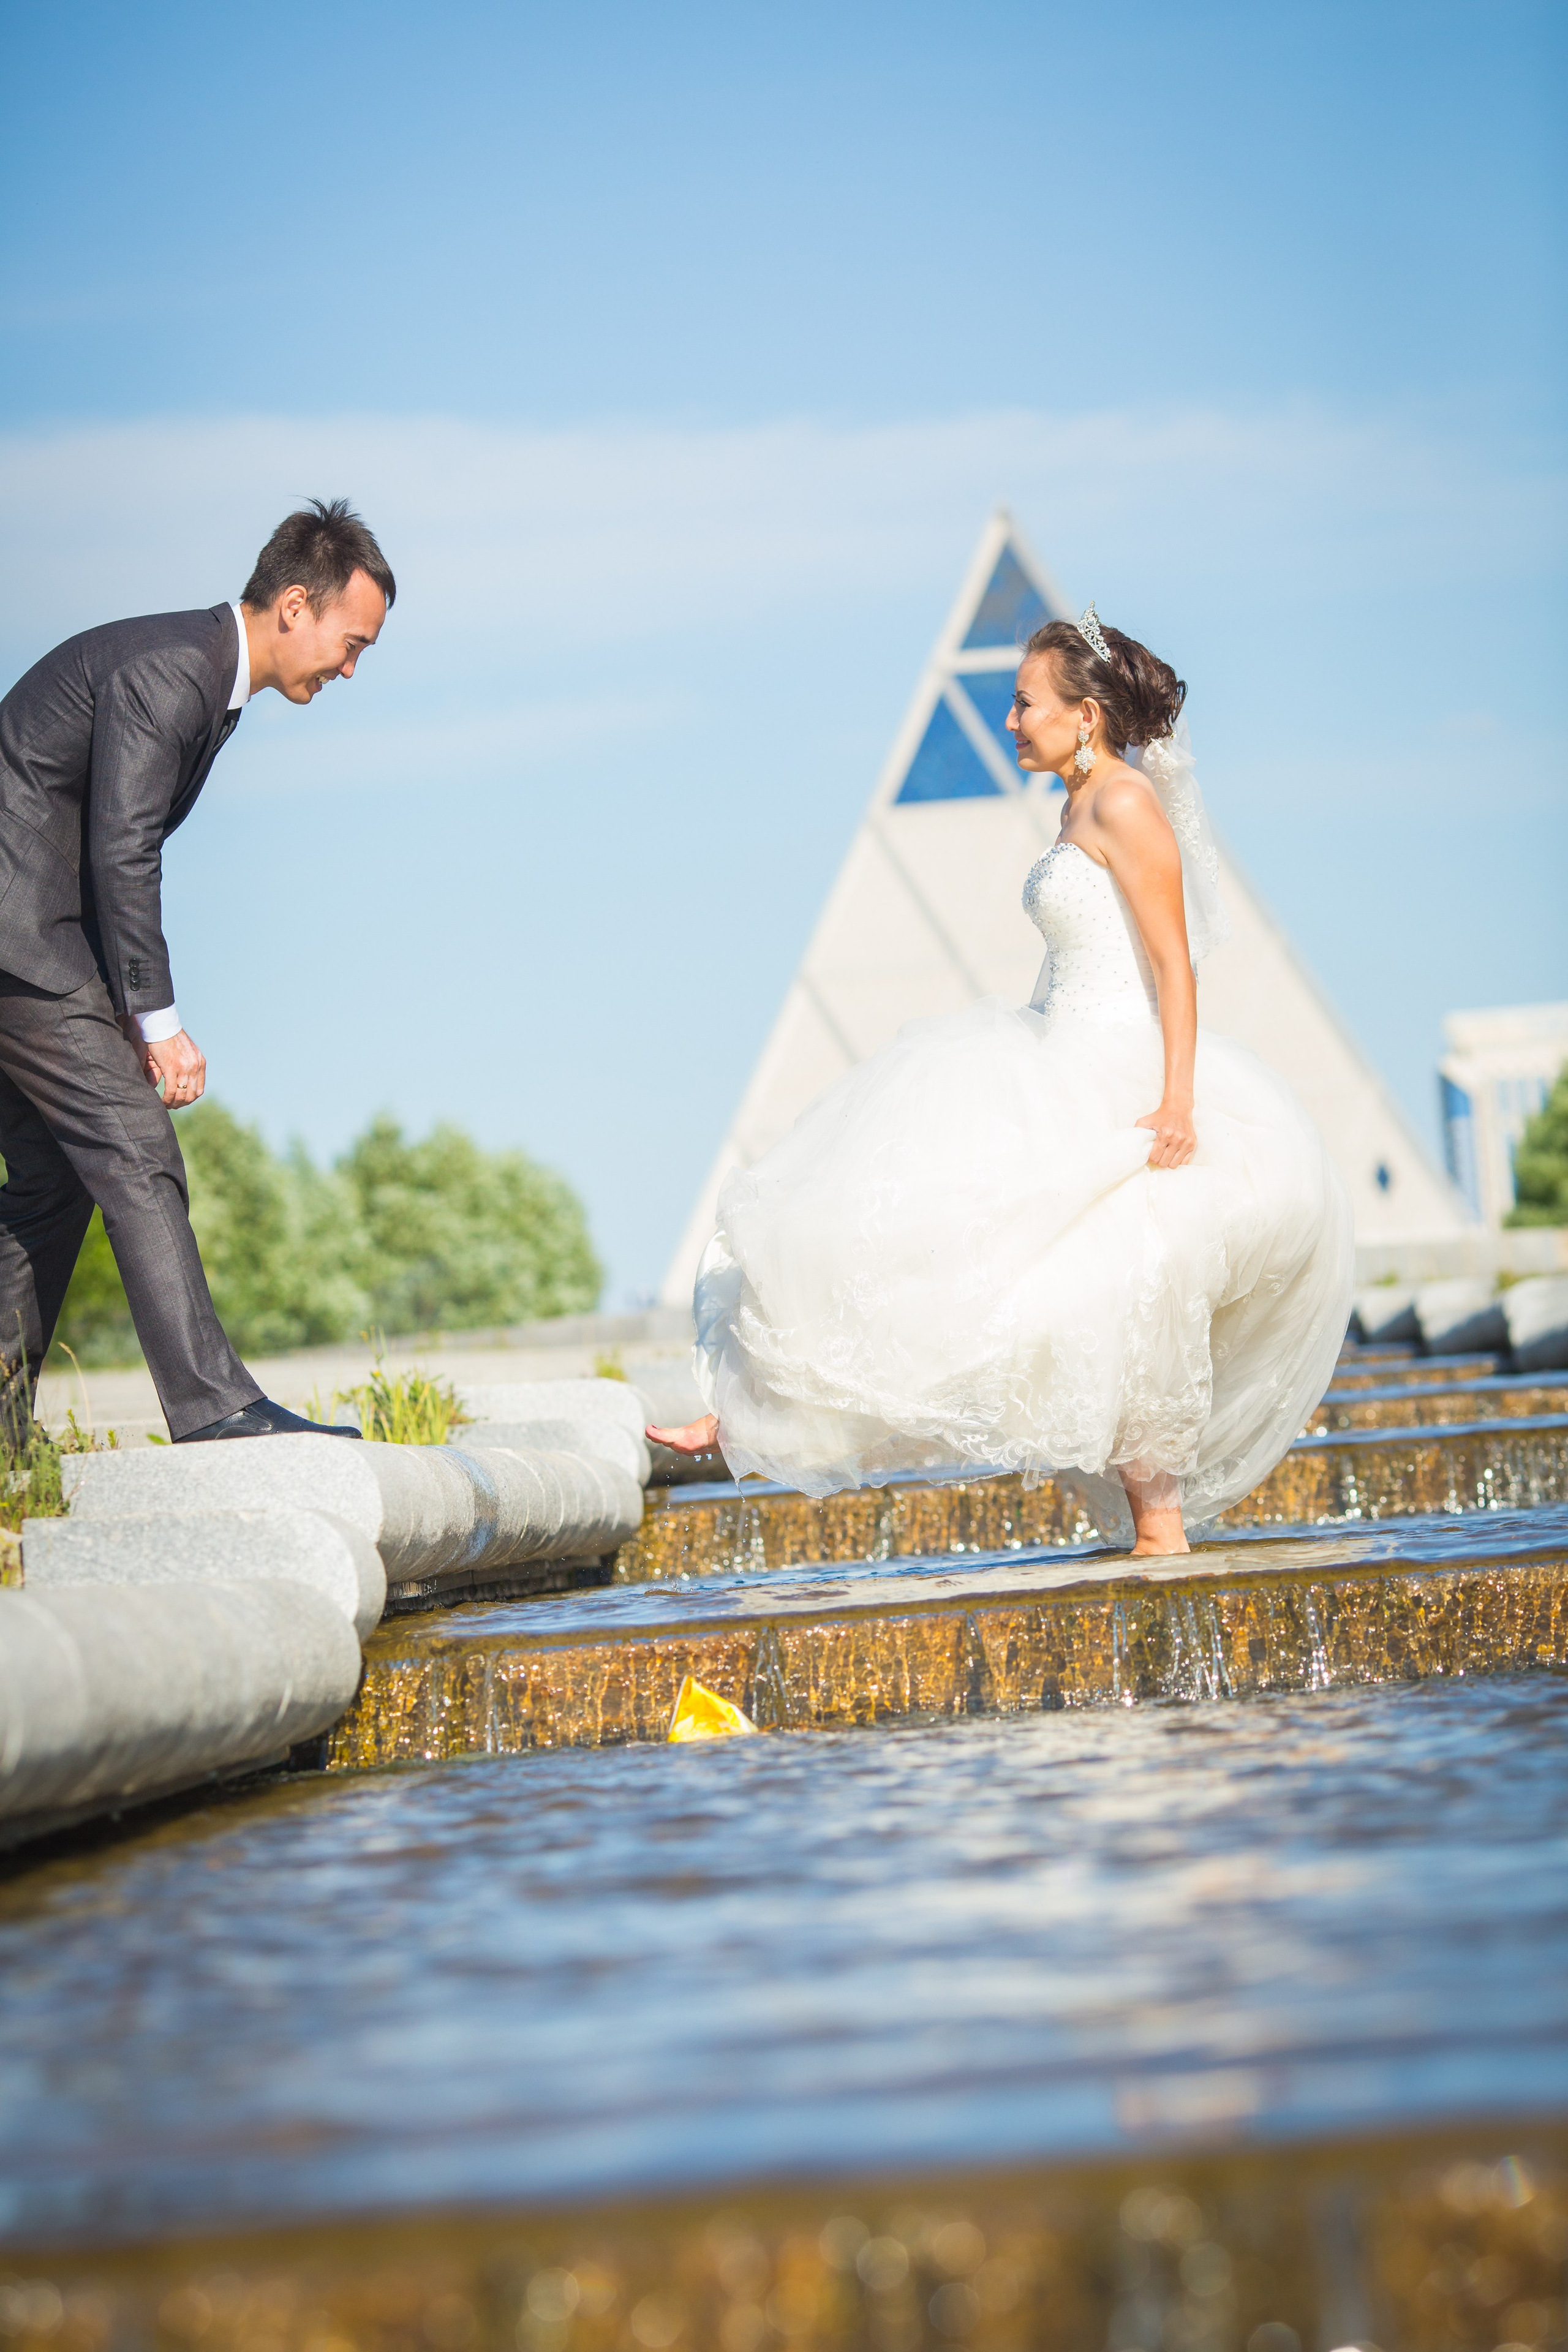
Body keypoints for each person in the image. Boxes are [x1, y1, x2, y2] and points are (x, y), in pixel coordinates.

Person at [650, 607, 1353, 1555]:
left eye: (1025, 704)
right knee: (914, 1241)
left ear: (1086, 715)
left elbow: (1175, 967)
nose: (1011, 722)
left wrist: (1179, 1102)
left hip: (1122, 1076)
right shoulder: (1076, 805)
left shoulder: (1125, 803)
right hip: (1053, 1054)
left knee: (1119, 1296)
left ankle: (1162, 1539)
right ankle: (752, 1417)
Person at [0, 498, 394, 1442]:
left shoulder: (200, 680)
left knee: (52, 1186)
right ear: (294, 604)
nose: (350, 668)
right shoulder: (174, 672)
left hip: (32, 946)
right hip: (21, 943)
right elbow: (121, 852)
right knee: (137, 1150)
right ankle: (216, 1410)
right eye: (352, 644)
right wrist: (154, 1021)